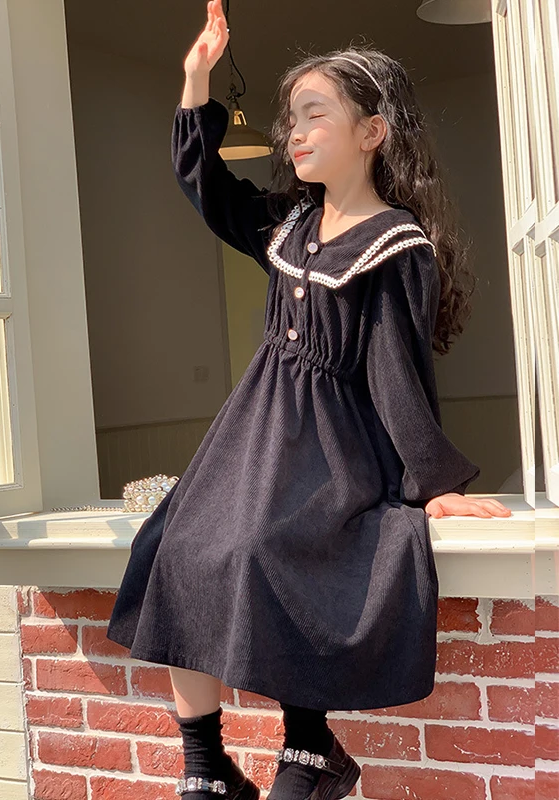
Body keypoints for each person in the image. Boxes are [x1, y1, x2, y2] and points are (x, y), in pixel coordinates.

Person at [106, 2, 512, 798]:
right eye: (291, 117)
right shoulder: (289, 224)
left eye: (314, 114)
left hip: (332, 448)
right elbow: (205, 185)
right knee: (178, 546)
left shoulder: (395, 244)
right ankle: (207, 766)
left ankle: (309, 748)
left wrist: (434, 484)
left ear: (372, 132)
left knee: (271, 551)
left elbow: (396, 373)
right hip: (253, 435)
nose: (294, 131)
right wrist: (195, 80)